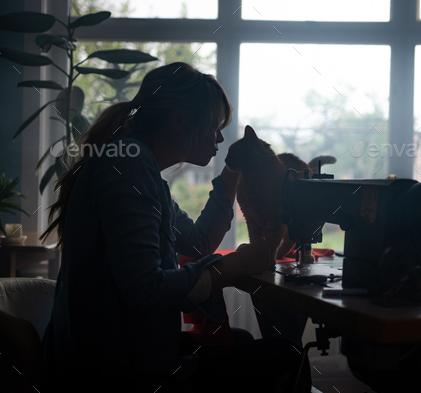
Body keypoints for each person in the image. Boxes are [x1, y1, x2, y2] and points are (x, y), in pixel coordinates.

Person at [40, 62, 311, 392]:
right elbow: (145, 289)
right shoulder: (128, 168)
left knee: (242, 341)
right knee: (286, 356)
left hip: (119, 355)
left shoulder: (137, 164)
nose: (221, 137)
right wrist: (231, 267)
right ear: (179, 119)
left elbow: (197, 242)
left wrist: (235, 169)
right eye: (214, 126)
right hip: (112, 375)